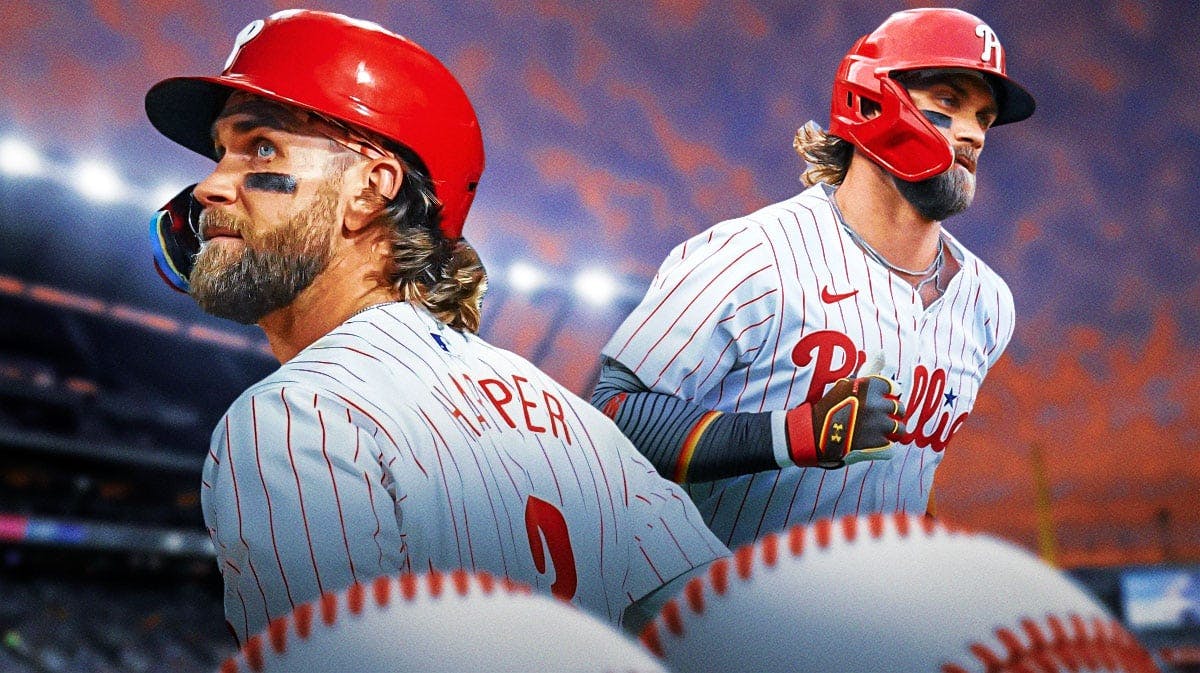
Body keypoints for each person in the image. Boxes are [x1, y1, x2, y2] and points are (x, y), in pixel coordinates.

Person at [144, 10, 726, 644]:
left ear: (372, 189)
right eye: (221, 151)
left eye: (260, 146)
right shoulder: (581, 427)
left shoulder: (298, 413)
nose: (209, 186)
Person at [591, 7, 1035, 549]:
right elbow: (611, 415)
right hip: (715, 609)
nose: (973, 134)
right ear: (872, 97)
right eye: (948, 101)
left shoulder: (988, 304)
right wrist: (795, 434)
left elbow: (900, 475)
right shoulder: (752, 255)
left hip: (867, 617)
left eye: (985, 117)